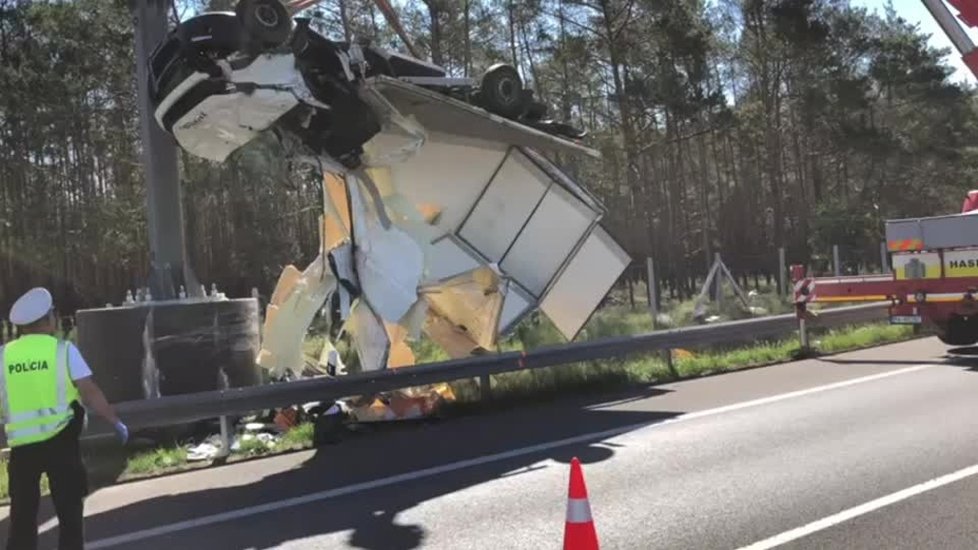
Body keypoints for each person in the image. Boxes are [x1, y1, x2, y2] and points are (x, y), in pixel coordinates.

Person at [2, 287, 128, 550]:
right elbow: (89, 391)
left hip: (22, 447)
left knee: (22, 518)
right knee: (69, 515)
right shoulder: (63, 350)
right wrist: (114, 420)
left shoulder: (4, 356)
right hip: (61, 442)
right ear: (48, 320)